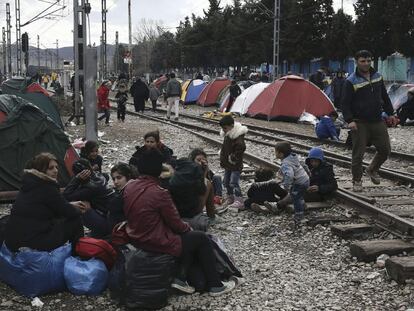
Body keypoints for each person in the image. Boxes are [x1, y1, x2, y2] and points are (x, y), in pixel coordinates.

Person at [123, 148, 235, 296]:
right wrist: (188, 228)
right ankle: (216, 285)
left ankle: (181, 278)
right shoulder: (160, 193)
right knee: (200, 237)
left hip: (136, 236)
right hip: (154, 241)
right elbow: (176, 223)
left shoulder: (130, 186)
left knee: (189, 237)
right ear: (158, 170)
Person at [5, 153, 87, 252]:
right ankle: (78, 254)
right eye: (51, 168)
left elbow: (53, 206)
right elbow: (67, 211)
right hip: (34, 242)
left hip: (15, 241)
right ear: (41, 170)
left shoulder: (29, 184)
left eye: (56, 167)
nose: (56, 171)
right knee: (75, 220)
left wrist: (69, 206)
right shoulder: (46, 187)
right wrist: (78, 208)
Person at [341, 50, 397, 192]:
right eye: (362, 61)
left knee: (385, 149)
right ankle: (357, 180)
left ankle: (372, 169)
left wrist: (391, 113)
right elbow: (345, 103)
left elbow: (384, 97)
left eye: (368, 60)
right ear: (356, 62)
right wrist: (349, 120)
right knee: (358, 154)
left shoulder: (378, 77)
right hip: (359, 122)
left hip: (377, 120)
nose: (366, 63)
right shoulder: (351, 81)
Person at [63, 159, 115, 238]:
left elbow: (66, 195)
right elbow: (106, 176)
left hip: (107, 224)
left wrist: (76, 179)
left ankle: (99, 232)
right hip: (111, 219)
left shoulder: (90, 188)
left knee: (79, 205)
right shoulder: (99, 175)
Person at [273, 142, 309, 227]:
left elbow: (289, 175)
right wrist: (308, 172)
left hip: (300, 182)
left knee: (296, 198)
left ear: (281, 154)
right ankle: (304, 206)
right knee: (297, 194)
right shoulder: (293, 157)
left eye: (275, 151)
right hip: (305, 180)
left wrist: (286, 185)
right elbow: (303, 164)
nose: (275, 153)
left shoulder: (286, 164)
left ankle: (299, 216)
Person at [219, 115, 248, 209]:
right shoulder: (228, 134)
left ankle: (239, 200)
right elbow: (225, 148)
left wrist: (233, 157)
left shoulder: (237, 137)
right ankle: (230, 196)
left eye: (225, 128)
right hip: (228, 164)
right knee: (226, 182)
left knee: (233, 182)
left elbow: (241, 148)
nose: (223, 130)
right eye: (222, 128)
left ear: (231, 126)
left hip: (235, 165)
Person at [107, 163, 137, 228]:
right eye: (114, 179)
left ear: (128, 176)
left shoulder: (128, 192)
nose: (116, 182)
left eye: (119, 178)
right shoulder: (137, 184)